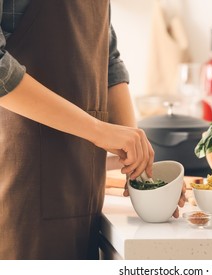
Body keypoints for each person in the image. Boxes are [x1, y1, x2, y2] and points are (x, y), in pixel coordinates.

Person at [0, 0, 185, 260]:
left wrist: (140, 163)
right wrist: (98, 130)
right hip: (21, 192)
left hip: (83, 193)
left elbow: (108, 60)